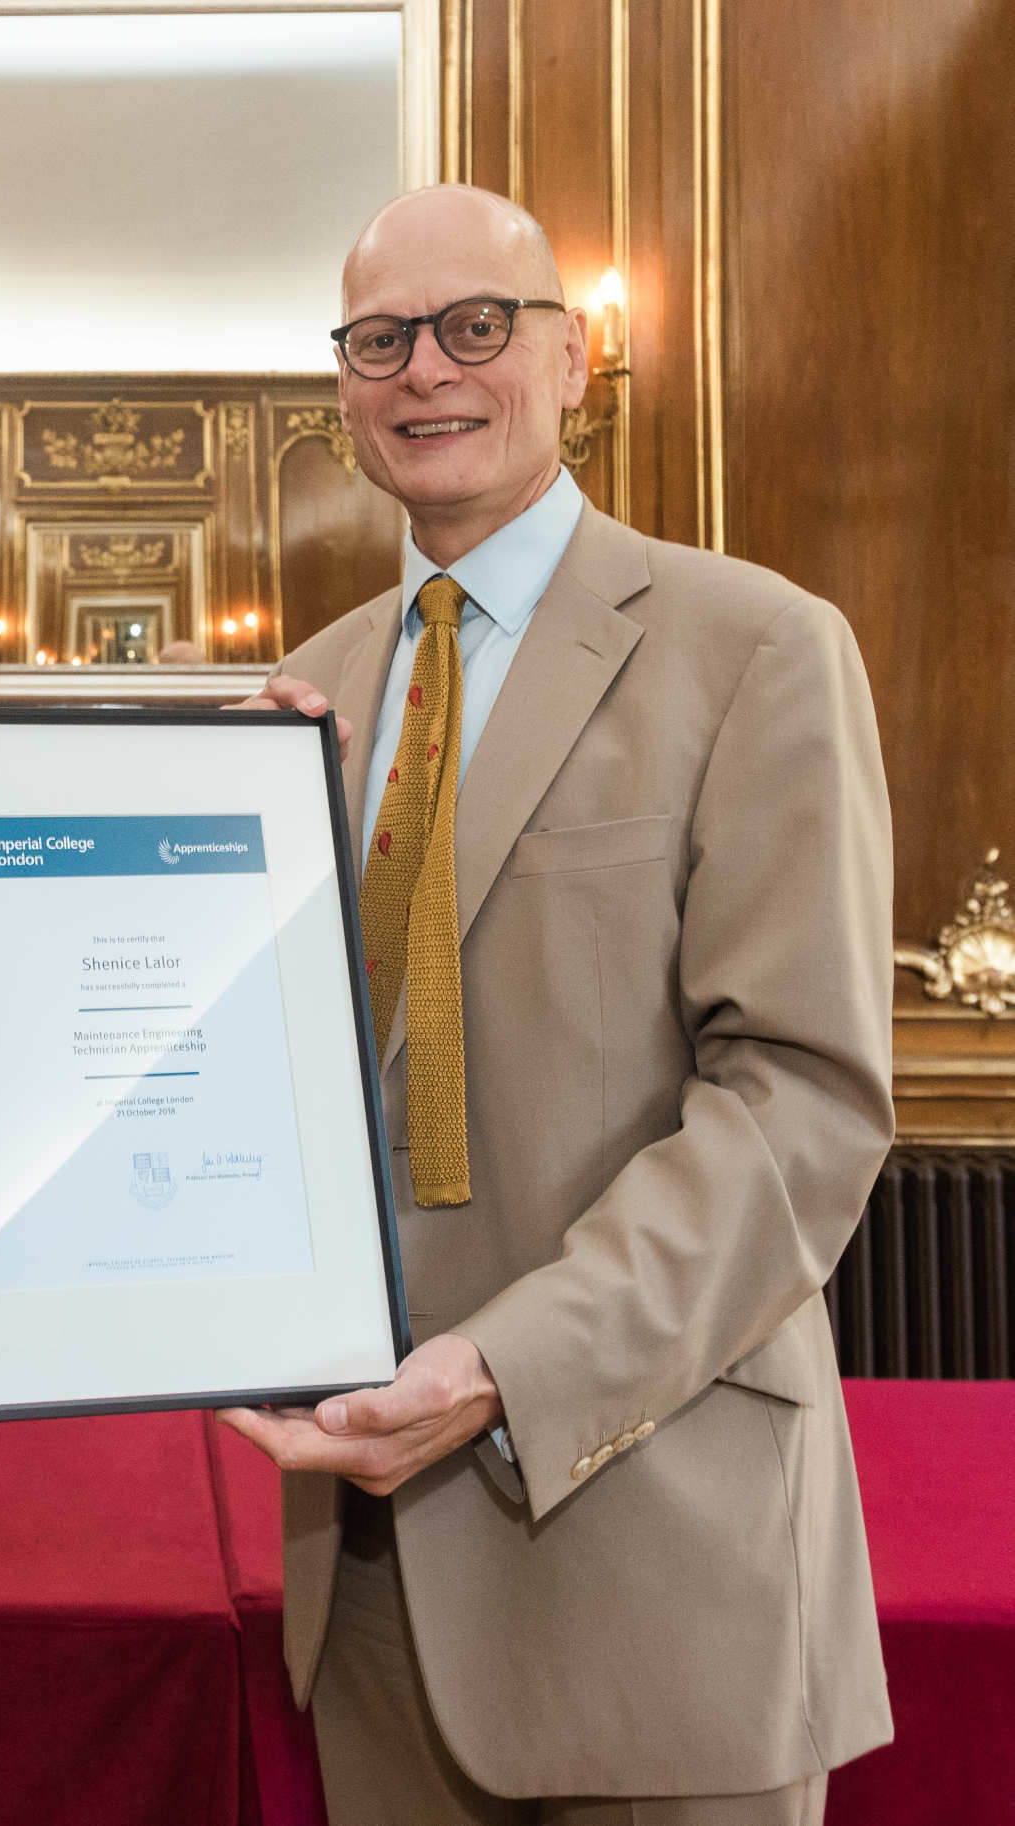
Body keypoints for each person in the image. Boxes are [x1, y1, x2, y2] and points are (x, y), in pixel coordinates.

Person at [220, 186, 893, 1826]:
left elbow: (796, 1105)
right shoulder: (305, 691)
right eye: (379, 338)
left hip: (653, 1535)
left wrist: (498, 1368)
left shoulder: (755, 646)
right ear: (339, 387)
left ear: (572, 359)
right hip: (369, 1578)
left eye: (476, 325)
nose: (424, 371)